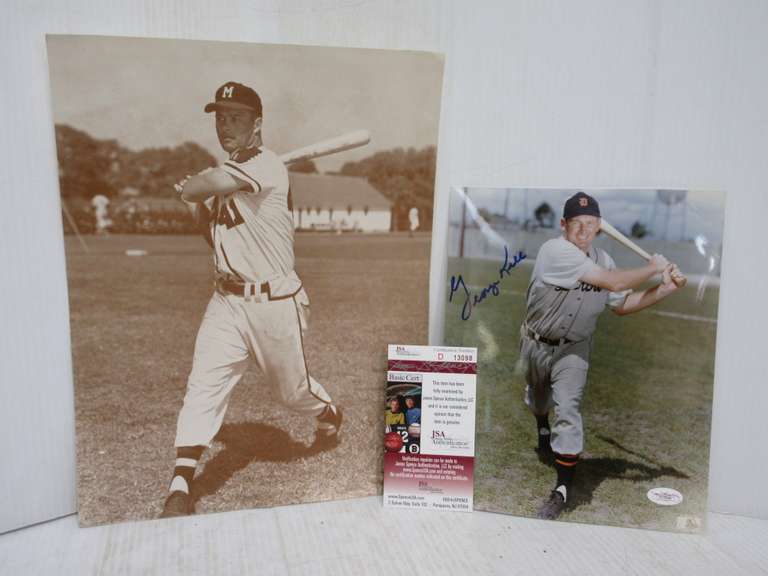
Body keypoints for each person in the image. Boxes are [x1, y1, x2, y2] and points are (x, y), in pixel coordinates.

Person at [160, 81, 342, 518]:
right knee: (203, 385)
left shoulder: (267, 166)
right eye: (221, 118)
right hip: (227, 300)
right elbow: (215, 239)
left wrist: (194, 187)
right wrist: (199, 203)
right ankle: (181, 483)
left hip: (274, 303)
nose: (226, 126)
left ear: (257, 124)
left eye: (237, 118)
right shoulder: (230, 176)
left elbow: (208, 182)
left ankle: (328, 410)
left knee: (291, 393)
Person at [520, 191, 683, 520]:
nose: (583, 230)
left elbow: (622, 305)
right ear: (563, 225)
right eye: (576, 223)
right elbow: (610, 282)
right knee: (540, 400)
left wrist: (665, 288)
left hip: (575, 348)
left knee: (568, 408)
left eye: (591, 224)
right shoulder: (554, 251)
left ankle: (562, 490)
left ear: (598, 228)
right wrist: (653, 267)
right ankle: (541, 423)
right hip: (536, 342)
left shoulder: (604, 259)